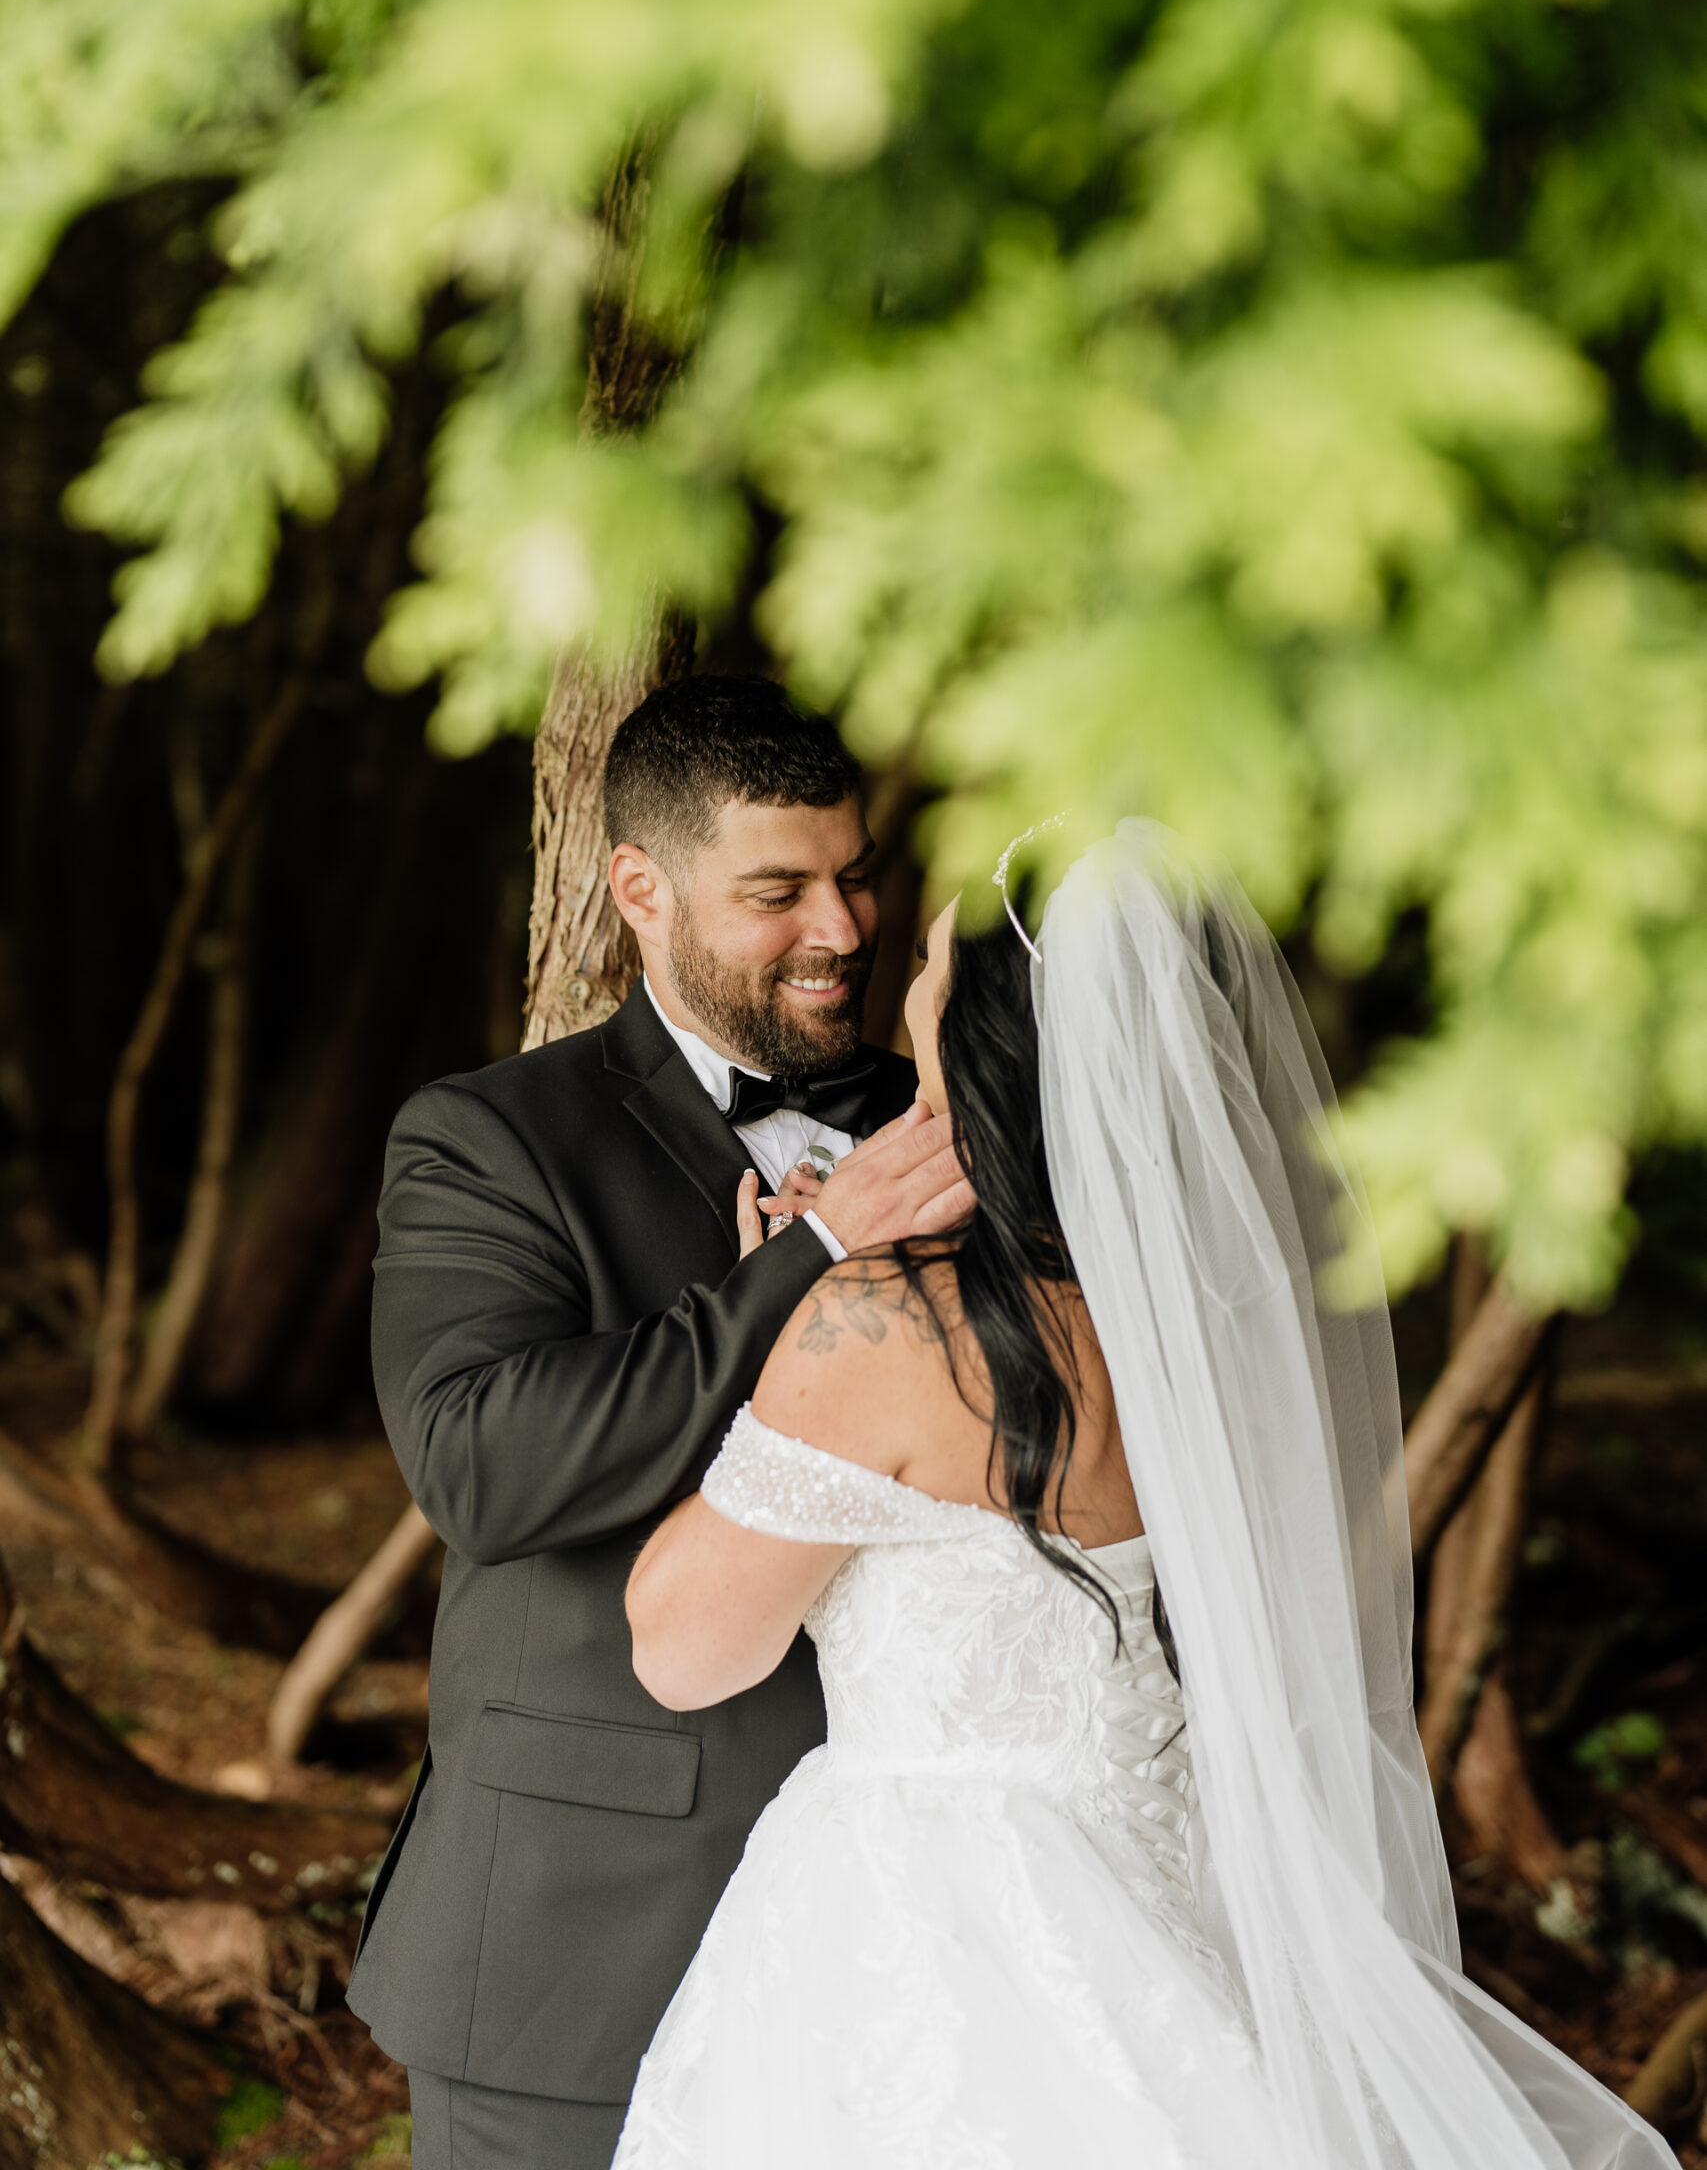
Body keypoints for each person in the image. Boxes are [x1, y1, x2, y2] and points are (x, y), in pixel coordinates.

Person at [617, 820, 1670, 2170]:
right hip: (1163, 1870)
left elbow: (685, 1648)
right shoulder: (1197, 1313)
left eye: (935, 967)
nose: (913, 990)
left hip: (932, 1915)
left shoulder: (887, 1326)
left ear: (993, 1036)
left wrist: (788, 1324)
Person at [347, 677, 972, 2170]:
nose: (839, 928)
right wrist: (810, 1273)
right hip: (582, 1923)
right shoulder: (493, 1139)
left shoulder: (948, 1118)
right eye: (777, 893)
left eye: (854, 876)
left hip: (917, 1919)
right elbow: (484, 1469)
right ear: (640, 888)